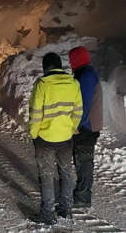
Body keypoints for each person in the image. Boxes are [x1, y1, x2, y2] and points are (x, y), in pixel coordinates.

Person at [29, 52, 83, 225]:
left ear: (45, 68)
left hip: (45, 138)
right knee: (66, 172)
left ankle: (48, 214)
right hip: (66, 138)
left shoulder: (42, 85)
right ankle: (66, 209)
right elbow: (78, 110)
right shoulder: (73, 83)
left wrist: (34, 133)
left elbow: (36, 113)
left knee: (46, 175)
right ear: (60, 66)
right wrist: (72, 127)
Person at [69, 46, 103, 208]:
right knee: (81, 160)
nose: (70, 63)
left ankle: (83, 197)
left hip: (86, 126)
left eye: (72, 59)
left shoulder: (86, 76)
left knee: (84, 161)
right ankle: (81, 193)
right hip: (87, 124)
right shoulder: (84, 73)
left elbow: (84, 103)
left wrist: (77, 124)